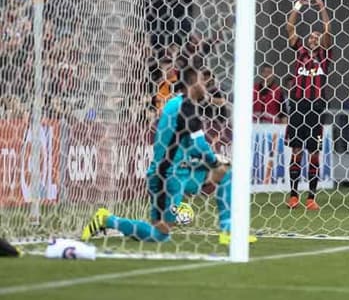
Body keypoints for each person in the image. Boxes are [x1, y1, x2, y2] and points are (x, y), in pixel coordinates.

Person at [80, 67, 254, 246]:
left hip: (181, 170)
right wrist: (214, 160)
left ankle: (229, 231)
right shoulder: (184, 108)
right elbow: (199, 147)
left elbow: (189, 144)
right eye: (203, 82)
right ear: (193, 83)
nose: (206, 87)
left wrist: (213, 162)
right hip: (166, 175)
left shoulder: (181, 104)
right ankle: (106, 220)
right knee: (159, 234)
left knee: (225, 172)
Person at [285, 0, 331, 210]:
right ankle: (293, 195)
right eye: (311, 36)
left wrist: (321, 7)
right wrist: (298, 5)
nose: (313, 38)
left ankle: (311, 198)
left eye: (316, 36)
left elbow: (328, 29)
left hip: (316, 107)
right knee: (296, 150)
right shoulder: (300, 51)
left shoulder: (325, 55)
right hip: (297, 105)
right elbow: (290, 28)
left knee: (314, 152)